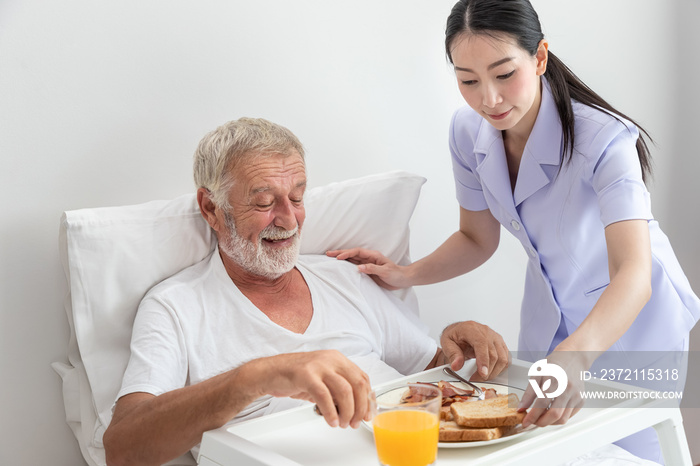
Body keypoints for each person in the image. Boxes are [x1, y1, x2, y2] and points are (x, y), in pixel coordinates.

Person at [327, 0, 699, 463]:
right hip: (553, 316)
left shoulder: (605, 139)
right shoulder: (468, 132)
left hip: (632, 319)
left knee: (635, 451)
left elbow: (633, 273)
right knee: (549, 447)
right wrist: (405, 274)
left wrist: (577, 356)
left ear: (539, 57)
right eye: (468, 80)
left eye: (505, 74)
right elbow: (476, 238)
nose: (489, 99)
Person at [102, 117, 510, 466]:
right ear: (211, 208)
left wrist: (458, 341)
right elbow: (122, 448)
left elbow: (436, 376)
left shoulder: (343, 278)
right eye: (263, 202)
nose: (289, 218)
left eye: (297, 197)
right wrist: (256, 377)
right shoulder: (176, 306)